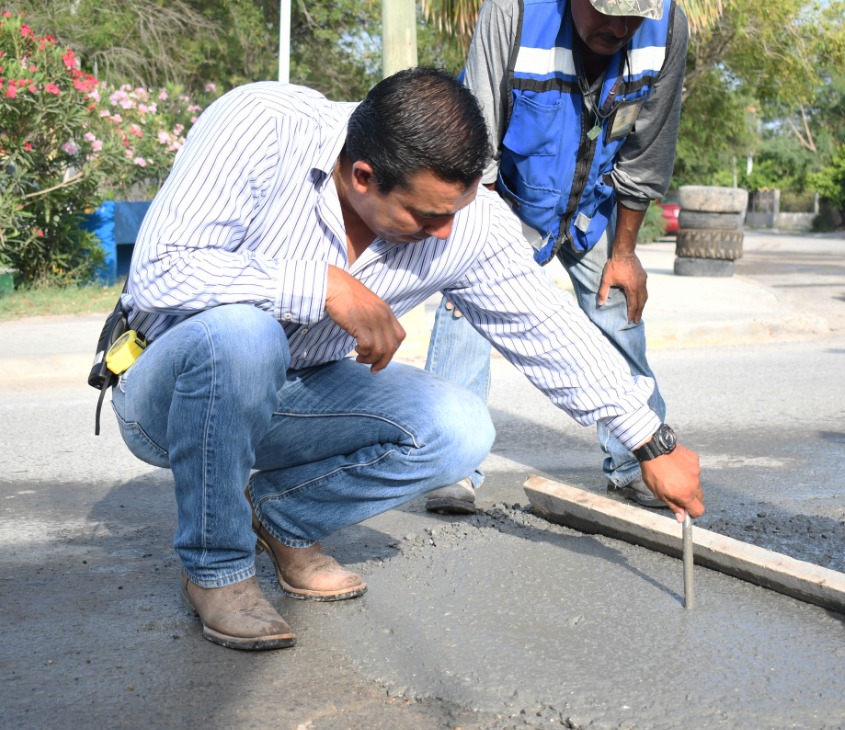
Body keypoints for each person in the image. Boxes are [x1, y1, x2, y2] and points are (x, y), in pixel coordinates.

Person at [111, 67, 703, 652]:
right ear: (364, 177)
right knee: (244, 334)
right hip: (176, 395)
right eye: (426, 217)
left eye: (454, 212)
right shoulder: (263, 127)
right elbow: (161, 273)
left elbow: (546, 330)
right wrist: (325, 285)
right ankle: (218, 568)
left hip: (292, 395)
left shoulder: (465, 223)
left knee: (460, 428)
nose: (445, 234)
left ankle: (283, 518)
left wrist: (650, 440)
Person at [423, 0, 689, 514]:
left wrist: (626, 252)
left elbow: (648, 148)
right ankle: (450, 464)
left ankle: (640, 462)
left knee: (619, 316)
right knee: (467, 311)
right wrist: (474, 249)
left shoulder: (666, 27)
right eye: (606, 10)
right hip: (508, 198)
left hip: (592, 208)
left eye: (633, 15)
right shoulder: (514, 12)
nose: (619, 28)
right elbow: (474, 131)